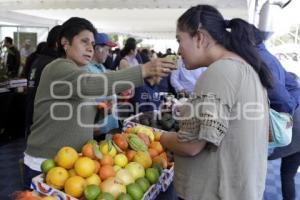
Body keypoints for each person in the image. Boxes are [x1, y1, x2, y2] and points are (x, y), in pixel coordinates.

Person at [23, 17, 175, 189]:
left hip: (72, 166)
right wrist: (144, 70)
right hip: (44, 165)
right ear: (65, 42)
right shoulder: (58, 67)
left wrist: (101, 113)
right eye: (84, 41)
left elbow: (78, 114)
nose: (90, 48)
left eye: (92, 43)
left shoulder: (77, 72)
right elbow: (88, 84)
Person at [159, 5, 272, 200]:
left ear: (200, 37)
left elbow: (190, 145)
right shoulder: (244, 68)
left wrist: (159, 136)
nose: (178, 50)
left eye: (180, 40)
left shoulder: (220, 72)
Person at [252, 27, 300, 200]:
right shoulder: (270, 57)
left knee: (258, 173)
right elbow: (295, 87)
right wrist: (292, 107)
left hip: (287, 127)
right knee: (288, 174)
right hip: (294, 124)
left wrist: (287, 111)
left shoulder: (259, 60)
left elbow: (282, 97)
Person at [25, 25, 62, 137]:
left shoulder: (39, 59)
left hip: (33, 116)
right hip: (44, 122)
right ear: (58, 43)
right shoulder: (54, 64)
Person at [85, 33, 119, 138]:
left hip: (108, 127)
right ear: (98, 49)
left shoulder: (101, 67)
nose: (108, 54)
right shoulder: (86, 69)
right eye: (107, 50)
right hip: (98, 129)